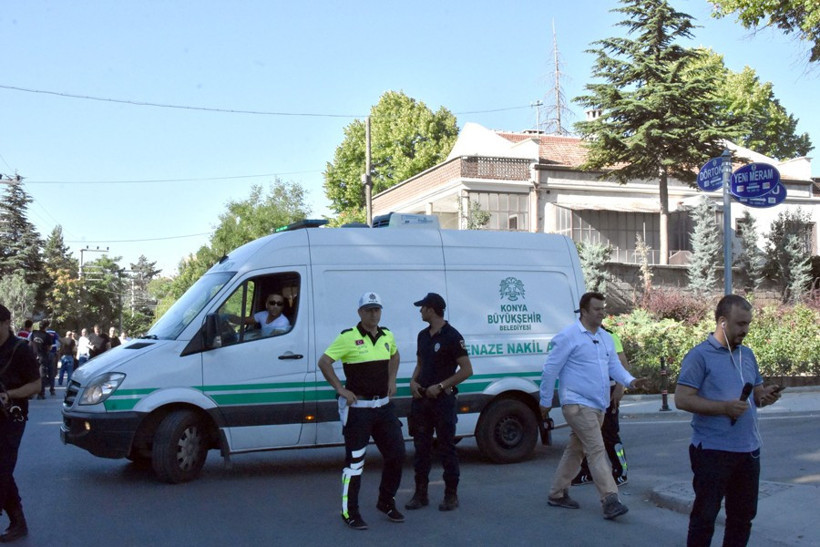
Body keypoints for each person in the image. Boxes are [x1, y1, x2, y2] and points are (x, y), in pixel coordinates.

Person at [675, 295, 782, 547]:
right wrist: (724, 408)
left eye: (748, 324)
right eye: (740, 324)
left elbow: (756, 395)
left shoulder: (748, 355)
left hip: (748, 451)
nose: (745, 330)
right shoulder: (699, 356)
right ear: (722, 322)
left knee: (742, 518)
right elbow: (682, 399)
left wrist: (766, 396)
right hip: (712, 451)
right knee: (705, 516)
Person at [539, 292, 644, 520]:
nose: (601, 312)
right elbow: (550, 370)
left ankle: (556, 493)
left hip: (599, 405)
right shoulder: (569, 336)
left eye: (603, 308)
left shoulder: (605, 338)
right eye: (597, 309)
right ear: (584, 311)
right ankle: (610, 499)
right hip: (577, 404)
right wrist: (545, 402)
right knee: (597, 449)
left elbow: (614, 367)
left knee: (576, 449)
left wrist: (630, 381)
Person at [317, 292, 405, 531]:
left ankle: (386, 502)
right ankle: (350, 512)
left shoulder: (388, 335)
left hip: (384, 408)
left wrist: (392, 379)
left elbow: (395, 355)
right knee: (355, 463)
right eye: (368, 310)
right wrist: (340, 389)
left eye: (377, 309)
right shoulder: (348, 337)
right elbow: (324, 362)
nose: (373, 314)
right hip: (359, 411)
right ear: (360, 313)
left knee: (397, 455)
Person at [405, 292, 473, 512]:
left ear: (431, 309)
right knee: (421, 448)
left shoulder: (452, 336)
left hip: (442, 401)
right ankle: (420, 494)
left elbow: (466, 370)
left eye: (422, 307)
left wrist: (442, 386)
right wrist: (413, 382)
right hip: (422, 400)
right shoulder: (422, 336)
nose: (420, 311)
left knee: (446, 448)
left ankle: (451, 495)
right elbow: (420, 363)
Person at [0, 304, 42, 542]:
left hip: (13, 415)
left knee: (2, 466)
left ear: (6, 323)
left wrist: (11, 394)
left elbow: (36, 386)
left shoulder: (21, 350)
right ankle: (18, 521)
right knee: (3, 470)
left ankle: (17, 522)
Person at [572, 326, 629, 487]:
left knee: (609, 433)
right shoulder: (578, 336)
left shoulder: (609, 336)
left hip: (608, 390)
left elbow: (622, 363)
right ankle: (587, 471)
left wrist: (620, 387)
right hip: (588, 391)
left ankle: (620, 470)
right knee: (586, 433)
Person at [28, 321, 54, 399]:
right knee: (42, 375)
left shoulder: (34, 334)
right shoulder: (47, 336)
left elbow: (30, 344)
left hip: (33, 356)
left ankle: (30, 393)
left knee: (32, 375)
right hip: (42, 356)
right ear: (46, 327)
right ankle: (41, 394)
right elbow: (49, 347)